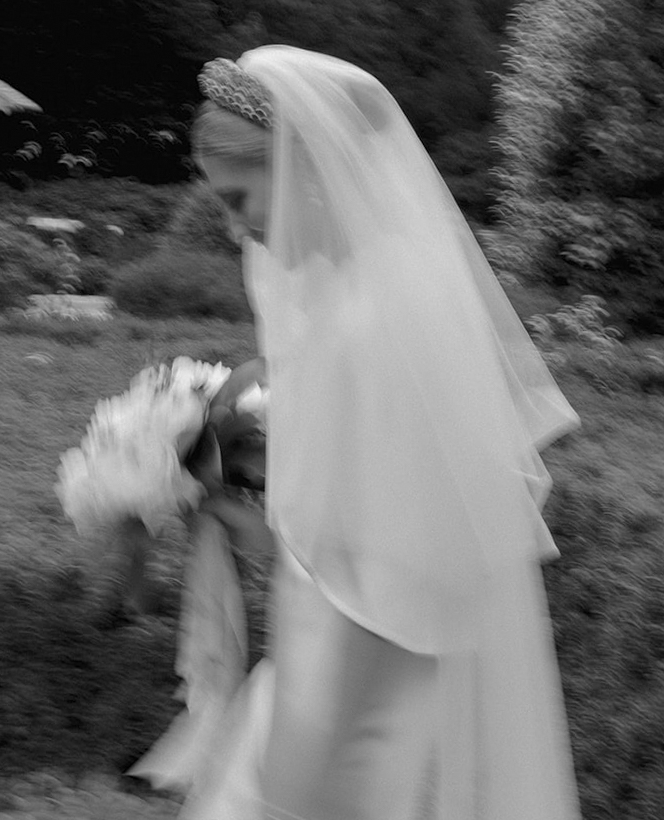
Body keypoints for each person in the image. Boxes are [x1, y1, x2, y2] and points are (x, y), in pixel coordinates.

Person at [180, 46, 583, 820]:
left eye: (238, 198)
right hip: (333, 639)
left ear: (302, 169)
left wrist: (317, 735)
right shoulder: (354, 287)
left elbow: (397, 554)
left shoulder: (376, 319)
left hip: (364, 661)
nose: (234, 228)